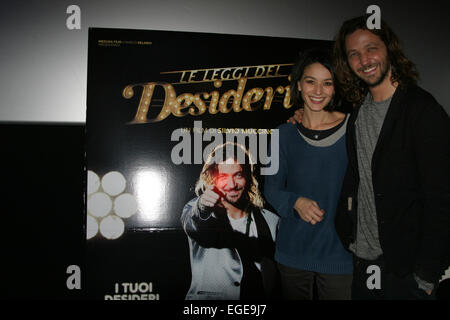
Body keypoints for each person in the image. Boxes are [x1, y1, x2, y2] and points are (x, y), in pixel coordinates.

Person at [309, 15, 449, 300]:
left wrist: (427, 272)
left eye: (371, 48)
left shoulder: (423, 111)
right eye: (354, 54)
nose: (364, 59)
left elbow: (442, 197)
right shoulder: (360, 111)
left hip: (406, 271)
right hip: (363, 261)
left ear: (389, 48)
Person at [264, 48, 353, 300]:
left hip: (340, 255)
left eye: (327, 83)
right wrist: (295, 202)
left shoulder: (353, 130)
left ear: (335, 88)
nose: (318, 91)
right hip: (293, 254)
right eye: (311, 82)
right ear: (299, 85)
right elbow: (271, 188)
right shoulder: (282, 134)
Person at [180, 142, 280, 300]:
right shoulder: (196, 210)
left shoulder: (271, 220)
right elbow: (193, 222)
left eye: (238, 175)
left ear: (248, 176)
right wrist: (202, 206)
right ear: (212, 178)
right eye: (223, 176)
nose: (232, 185)